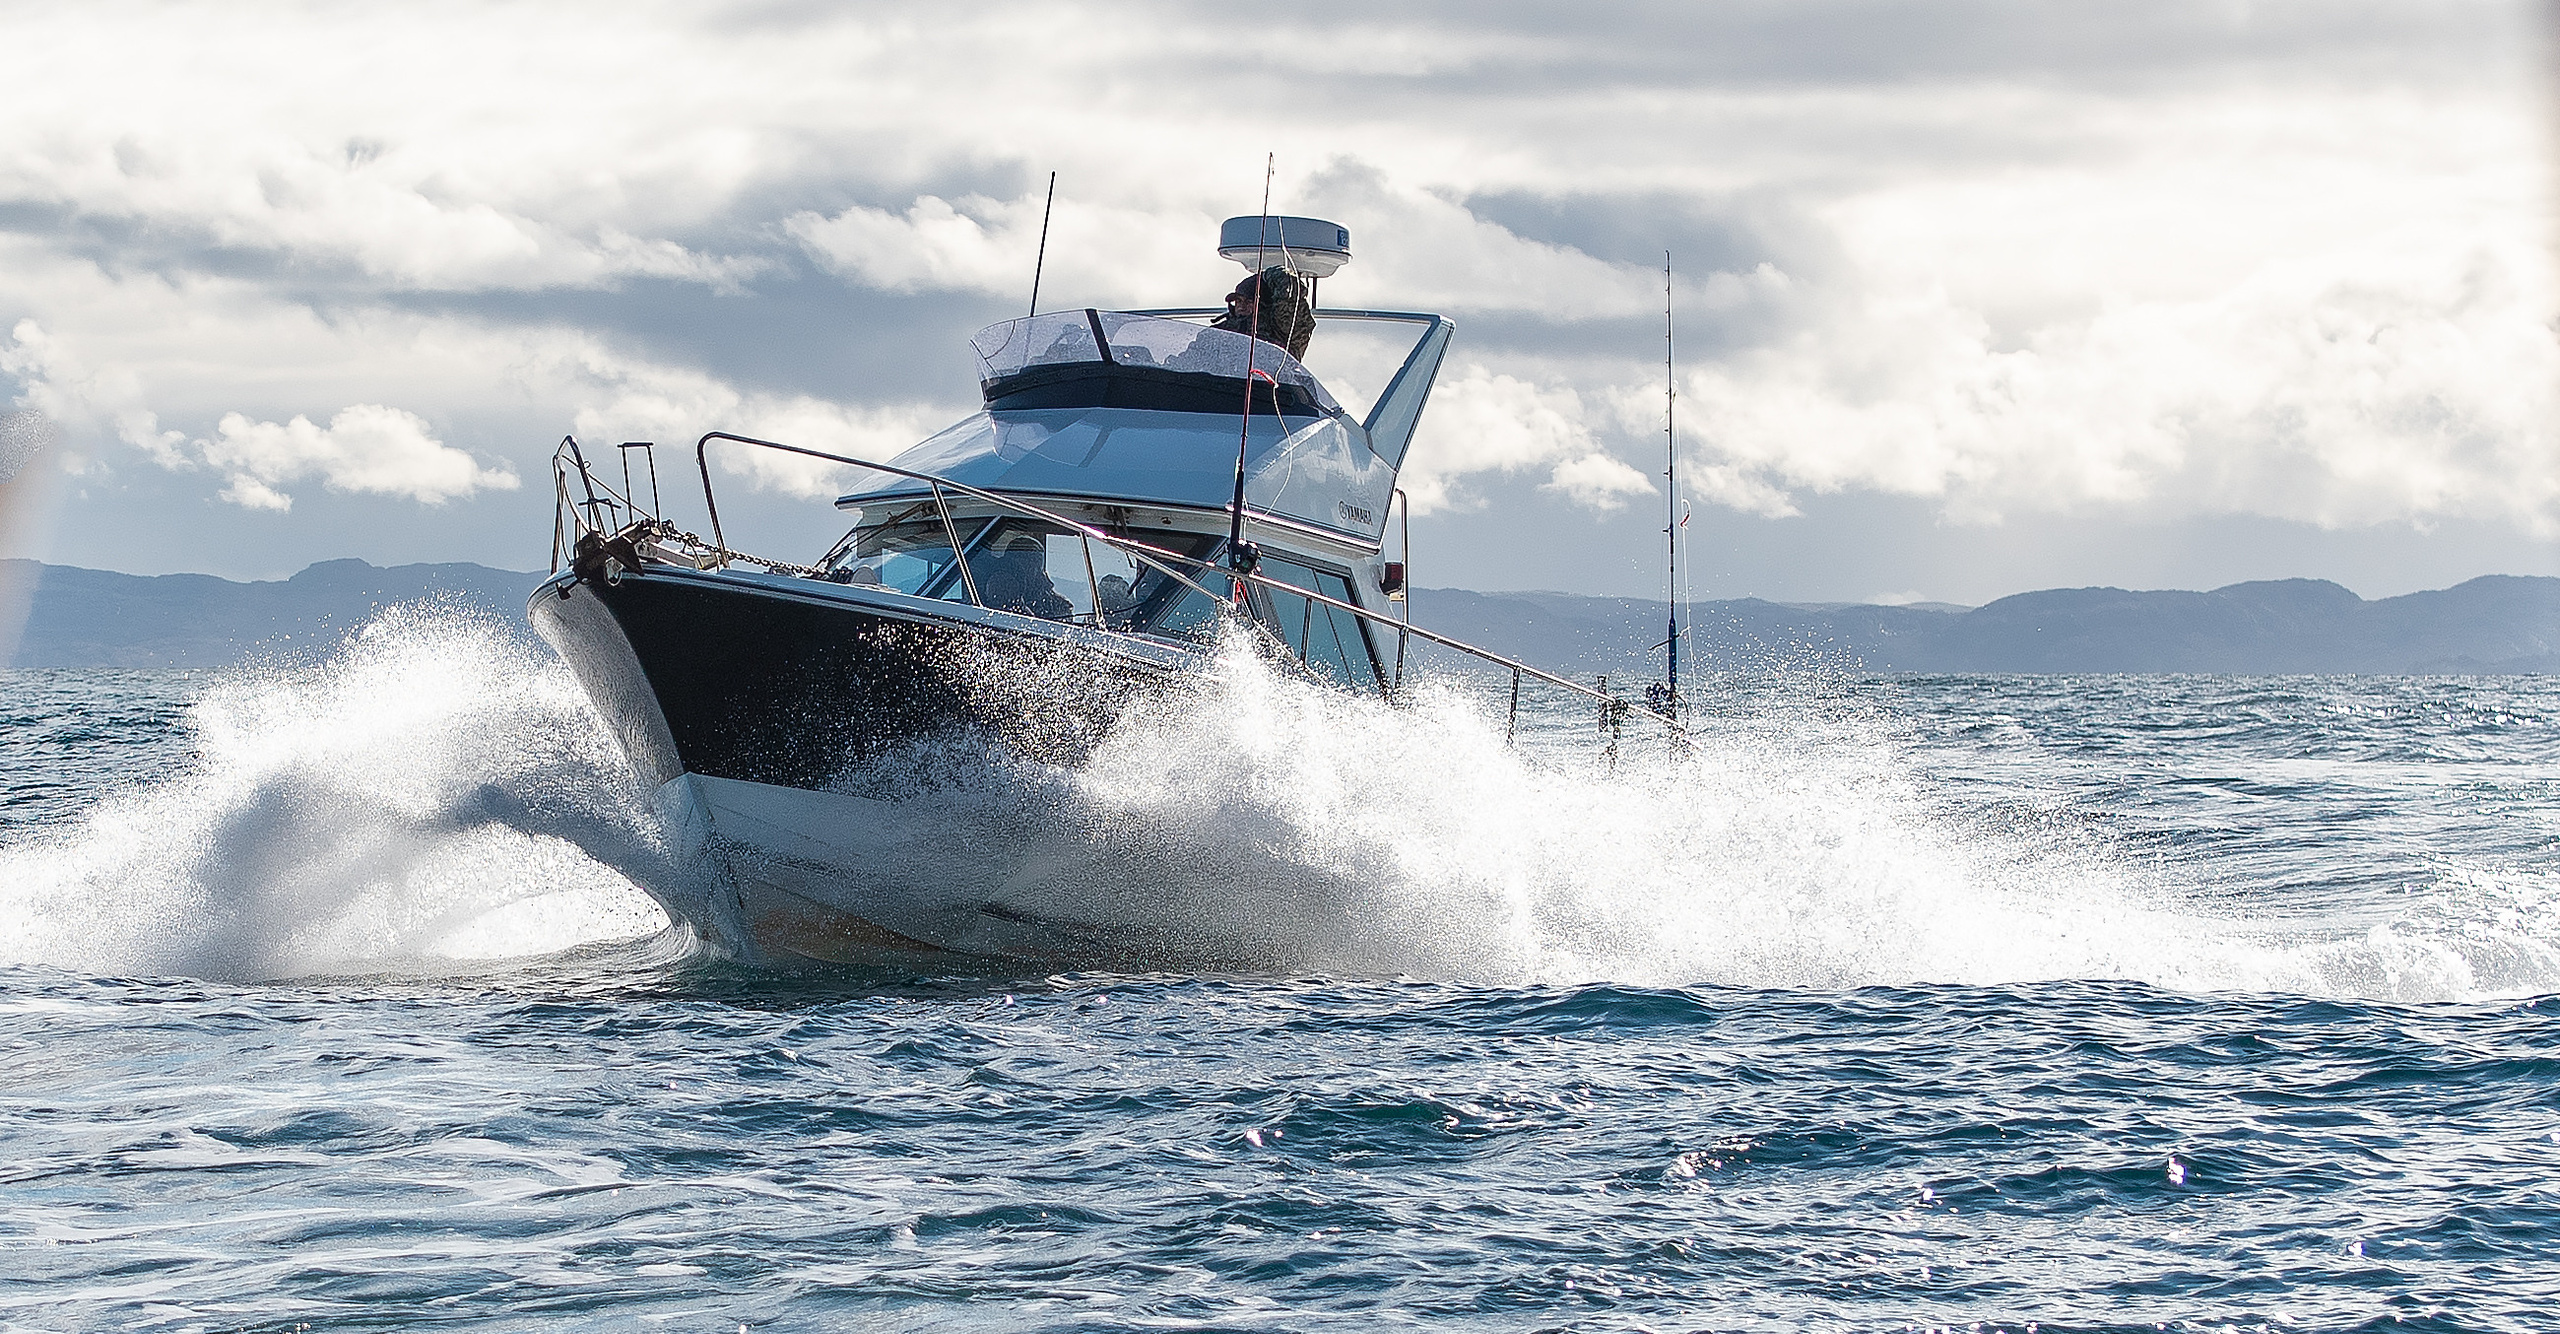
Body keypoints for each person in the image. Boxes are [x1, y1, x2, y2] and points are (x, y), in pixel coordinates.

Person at [1210, 265, 1315, 359]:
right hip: (1226, 380)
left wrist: (1266, 275)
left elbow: (1290, 290)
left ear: (1263, 304)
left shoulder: (1280, 326)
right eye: (1238, 300)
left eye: (1249, 301)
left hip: (1268, 379)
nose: (1242, 305)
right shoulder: (1220, 330)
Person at [969, 530, 1074, 621]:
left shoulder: (1054, 601)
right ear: (1011, 562)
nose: (1032, 567)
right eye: (1026, 560)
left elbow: (1063, 620)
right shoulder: (1001, 585)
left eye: (1036, 561)